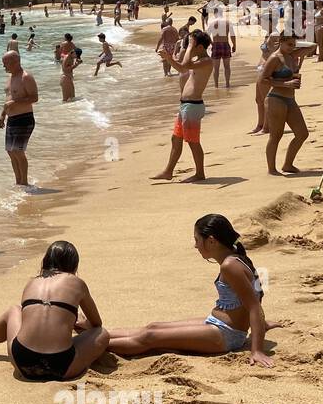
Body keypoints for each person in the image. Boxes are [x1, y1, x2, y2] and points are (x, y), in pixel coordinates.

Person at [108, 214, 273, 367]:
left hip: (226, 335)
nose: (195, 245)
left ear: (211, 241)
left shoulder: (230, 266)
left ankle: (96, 345)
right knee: (153, 327)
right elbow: (257, 290)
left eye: (197, 239)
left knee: (150, 338)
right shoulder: (237, 257)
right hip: (218, 324)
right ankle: (98, 335)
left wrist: (257, 350)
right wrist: (262, 324)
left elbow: (254, 306)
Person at [0, 241, 109, 380]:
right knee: (101, 333)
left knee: (14, 310)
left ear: (46, 261)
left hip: (23, 362)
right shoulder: (77, 283)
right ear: (74, 265)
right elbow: (97, 323)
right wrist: (79, 322)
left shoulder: (32, 283)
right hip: (62, 365)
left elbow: (32, 322)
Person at [153, 30, 213, 182]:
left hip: (193, 106)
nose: (188, 47)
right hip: (186, 105)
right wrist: (169, 58)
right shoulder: (198, 61)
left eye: (192, 44)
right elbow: (182, 68)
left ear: (199, 47)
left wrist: (190, 45)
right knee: (176, 139)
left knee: (193, 142)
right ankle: (168, 171)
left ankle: (200, 173)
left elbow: (186, 64)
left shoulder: (206, 61)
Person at [263, 32, 309, 176]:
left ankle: (288, 164)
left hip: (290, 99)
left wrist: (295, 47)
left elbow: (313, 46)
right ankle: (271, 169)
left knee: (302, 134)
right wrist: (286, 83)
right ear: (281, 41)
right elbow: (263, 79)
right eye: (289, 44)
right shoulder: (275, 58)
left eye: (294, 45)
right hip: (276, 98)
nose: (292, 48)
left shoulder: (291, 56)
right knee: (276, 136)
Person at [0, 50, 38, 188]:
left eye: (6, 63)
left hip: (24, 118)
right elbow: (8, 99)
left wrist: (14, 103)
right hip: (11, 118)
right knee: (10, 151)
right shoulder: (9, 78)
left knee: (18, 151)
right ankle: (18, 182)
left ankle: (24, 182)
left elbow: (34, 97)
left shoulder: (25, 77)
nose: (4, 66)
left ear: (15, 61)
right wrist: (3, 114)